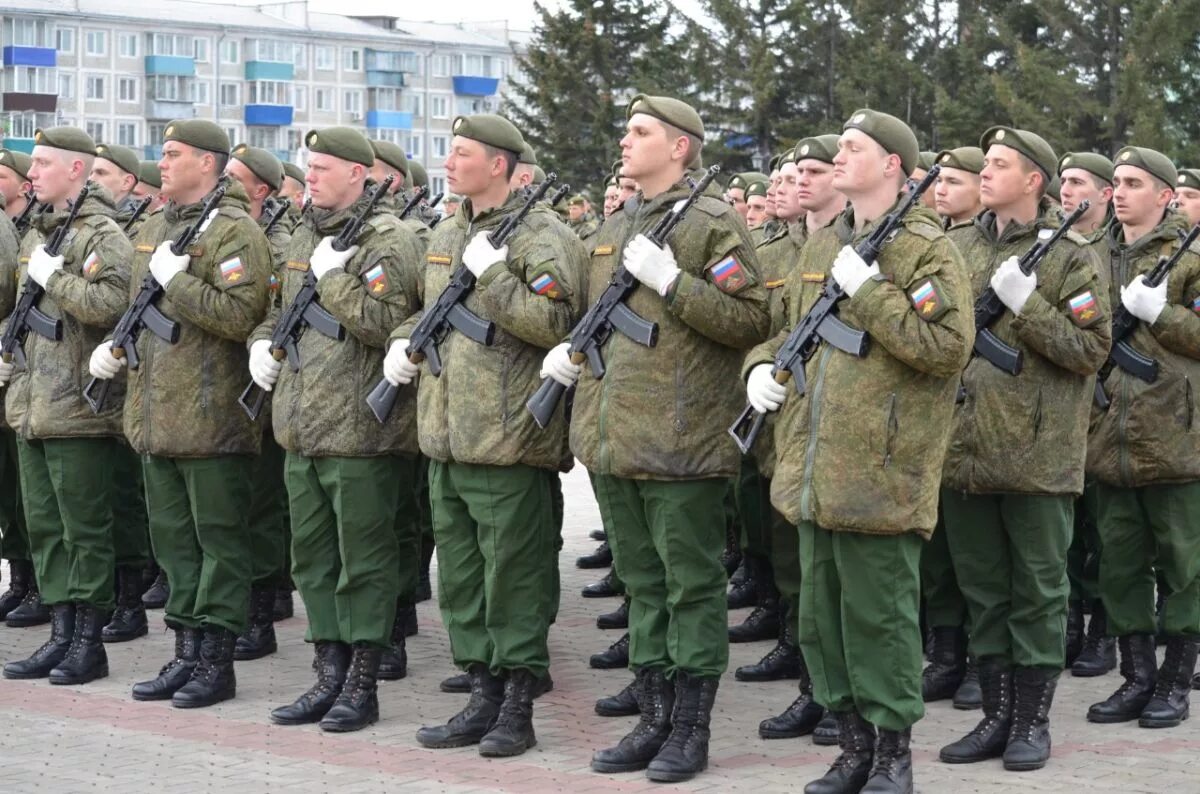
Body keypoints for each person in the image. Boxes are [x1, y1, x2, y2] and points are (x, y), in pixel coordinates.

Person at [745, 109, 973, 793]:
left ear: (894, 165)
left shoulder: (928, 249)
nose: (839, 157)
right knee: (821, 623)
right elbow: (779, 331)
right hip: (813, 472)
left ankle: (893, 756)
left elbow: (946, 350)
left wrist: (870, 291)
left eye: (853, 148)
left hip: (880, 475)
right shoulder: (826, 244)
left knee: (879, 624)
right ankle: (851, 749)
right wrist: (759, 368)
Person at [549, 94, 769, 782]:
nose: (626, 140)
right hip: (614, 437)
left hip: (681, 441)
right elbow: (594, 315)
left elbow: (749, 318)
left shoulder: (711, 222)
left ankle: (690, 727)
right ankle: (652, 715)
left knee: (690, 587)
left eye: (640, 132)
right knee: (642, 585)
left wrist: (674, 283)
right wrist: (571, 351)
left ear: (679, 147)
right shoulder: (616, 224)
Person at [389, 114, 584, 757]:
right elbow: (427, 307)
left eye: (462, 152)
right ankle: (482, 693)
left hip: (507, 438)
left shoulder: (541, 234)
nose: (449, 161)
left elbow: (556, 319)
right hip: (445, 433)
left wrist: (495, 275)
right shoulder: (448, 229)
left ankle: (518, 708)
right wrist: (403, 342)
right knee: (463, 578)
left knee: (514, 579)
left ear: (498, 164)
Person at [938, 127, 1110, 772]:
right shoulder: (953, 245)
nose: (986, 172)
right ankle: (996, 716)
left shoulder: (1072, 255)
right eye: (987, 162)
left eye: (1000, 164)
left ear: (1033, 179)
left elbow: (1091, 351)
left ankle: (1032, 722)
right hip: (965, 449)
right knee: (983, 590)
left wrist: (1027, 306)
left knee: (1037, 590)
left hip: (1038, 455)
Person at [87, 119, 272, 708]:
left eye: (172, 154)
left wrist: (181, 283)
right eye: (162, 154)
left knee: (218, 543)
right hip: (154, 414)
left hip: (210, 416)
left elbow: (241, 315)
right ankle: (185, 650)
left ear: (207, 164)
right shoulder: (159, 224)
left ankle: (216, 660)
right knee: (175, 546)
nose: (161, 163)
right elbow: (140, 307)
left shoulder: (235, 232)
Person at [248, 127, 426, 731]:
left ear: (359, 173)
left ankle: (361, 682)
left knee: (365, 563)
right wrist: (260, 344)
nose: (312, 175)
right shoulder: (304, 233)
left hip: (360, 432)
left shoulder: (388, 239)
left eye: (323, 167)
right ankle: (326, 674)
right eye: (309, 166)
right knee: (314, 562)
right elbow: (277, 308)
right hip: (301, 425)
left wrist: (335, 279)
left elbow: (390, 324)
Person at [0, 127, 132, 685]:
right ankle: (59, 632)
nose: (33, 173)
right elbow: (22, 308)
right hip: (33, 406)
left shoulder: (101, 234)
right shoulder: (37, 233)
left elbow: (111, 304)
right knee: (47, 529)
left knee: (84, 531)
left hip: (77, 410)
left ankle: (88, 641)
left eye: (45, 163)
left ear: (76, 170)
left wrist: (57, 278)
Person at [1086, 146, 1200, 730]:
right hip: (1109, 438)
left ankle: (1176, 682)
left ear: (1165, 195)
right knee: (1121, 568)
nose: (1121, 191)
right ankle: (1137, 678)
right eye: (1119, 182)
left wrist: (1165, 315)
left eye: (1135, 182)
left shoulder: (1192, 257)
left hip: (1176, 438)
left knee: (1184, 567)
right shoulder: (1092, 255)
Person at [748, 135, 846, 749]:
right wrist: (757, 368)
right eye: (797, 171)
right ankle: (812, 686)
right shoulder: (786, 248)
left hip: (841, 437)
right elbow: (772, 331)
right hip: (789, 433)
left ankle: (841, 699)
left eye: (816, 170)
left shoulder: (857, 246)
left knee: (837, 587)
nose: (801, 180)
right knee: (799, 574)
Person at [222, 143, 291, 662]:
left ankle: (263, 609)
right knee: (238, 507)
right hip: (229, 390)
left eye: (235, 177)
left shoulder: (281, 241)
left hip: (268, 393)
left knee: (263, 505)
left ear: (260, 191)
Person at [1055, 151, 1117, 674]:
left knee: (1103, 531)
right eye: (1063, 180)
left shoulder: (1116, 247)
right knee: (1071, 533)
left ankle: (1102, 629)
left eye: (1077, 182)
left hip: (1117, 407)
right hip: (1069, 406)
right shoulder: (1055, 244)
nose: (1066, 190)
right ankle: (1070, 621)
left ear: (1103, 194)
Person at [0, 148, 40, 628]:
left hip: (27, 380)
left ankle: (37, 586)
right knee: (11, 495)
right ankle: (21, 579)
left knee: (26, 496)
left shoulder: (31, 231)